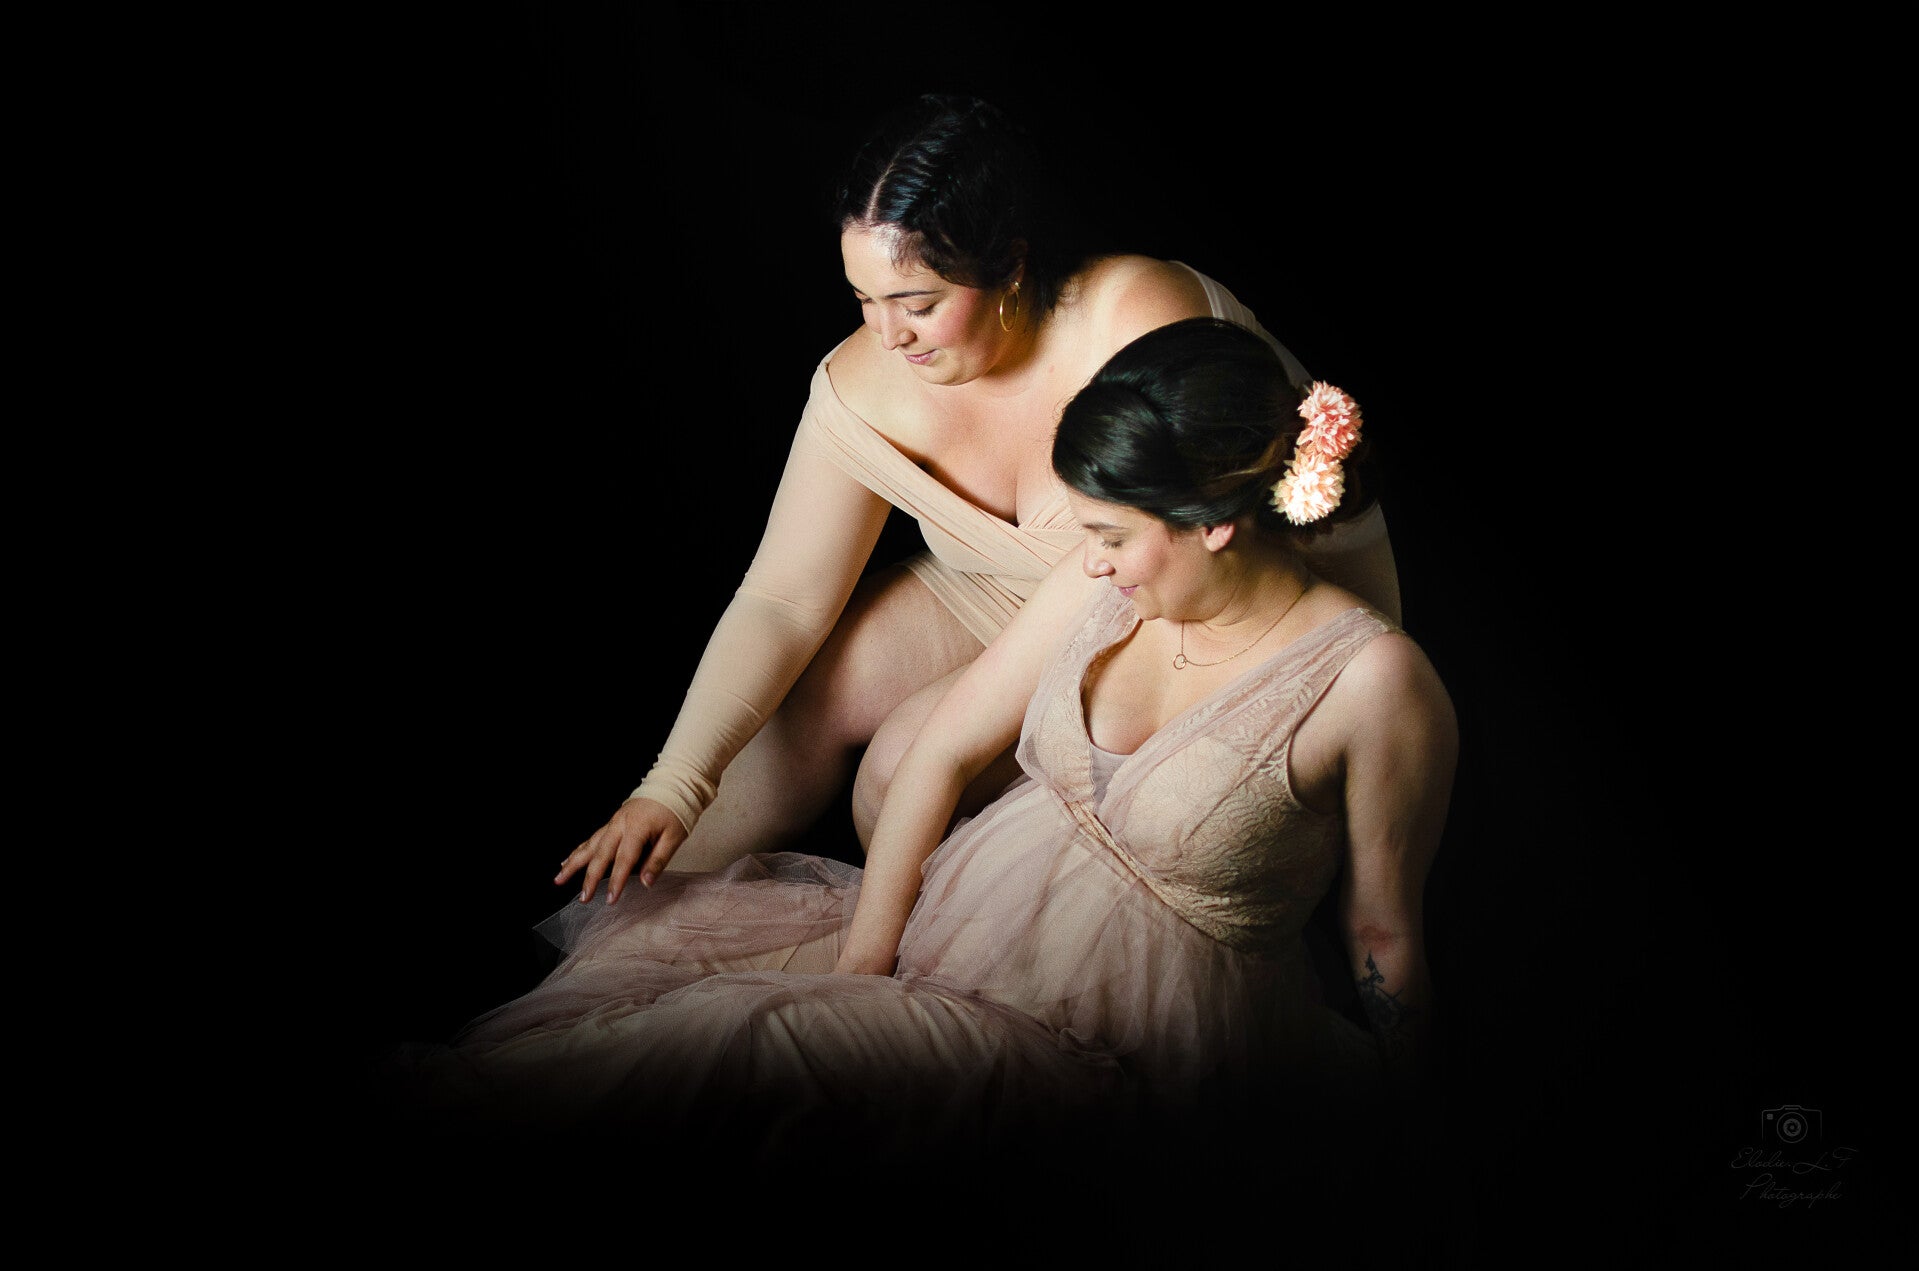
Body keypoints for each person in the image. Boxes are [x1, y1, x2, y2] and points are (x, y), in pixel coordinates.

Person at [393, 318, 1455, 1169]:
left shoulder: (1370, 682)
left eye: (1110, 535)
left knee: (744, 1046)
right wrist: (865, 963)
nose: (1089, 562)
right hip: (958, 934)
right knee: (650, 992)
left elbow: (1383, 931)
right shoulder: (1103, 585)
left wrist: (1415, 1133)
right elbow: (943, 751)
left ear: (1212, 523)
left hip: (1121, 1042)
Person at [564, 95, 1403, 901]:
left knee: (902, 764)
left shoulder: (1137, 316)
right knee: (806, 695)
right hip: (1011, 586)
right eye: (863, 299)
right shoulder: (862, 379)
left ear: (1009, 265)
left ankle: (933, 954)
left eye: (918, 303)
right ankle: (629, 909)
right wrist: (672, 784)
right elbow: (783, 597)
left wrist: (959, 727)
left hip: (1184, 599)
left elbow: (1193, 554)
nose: (887, 334)